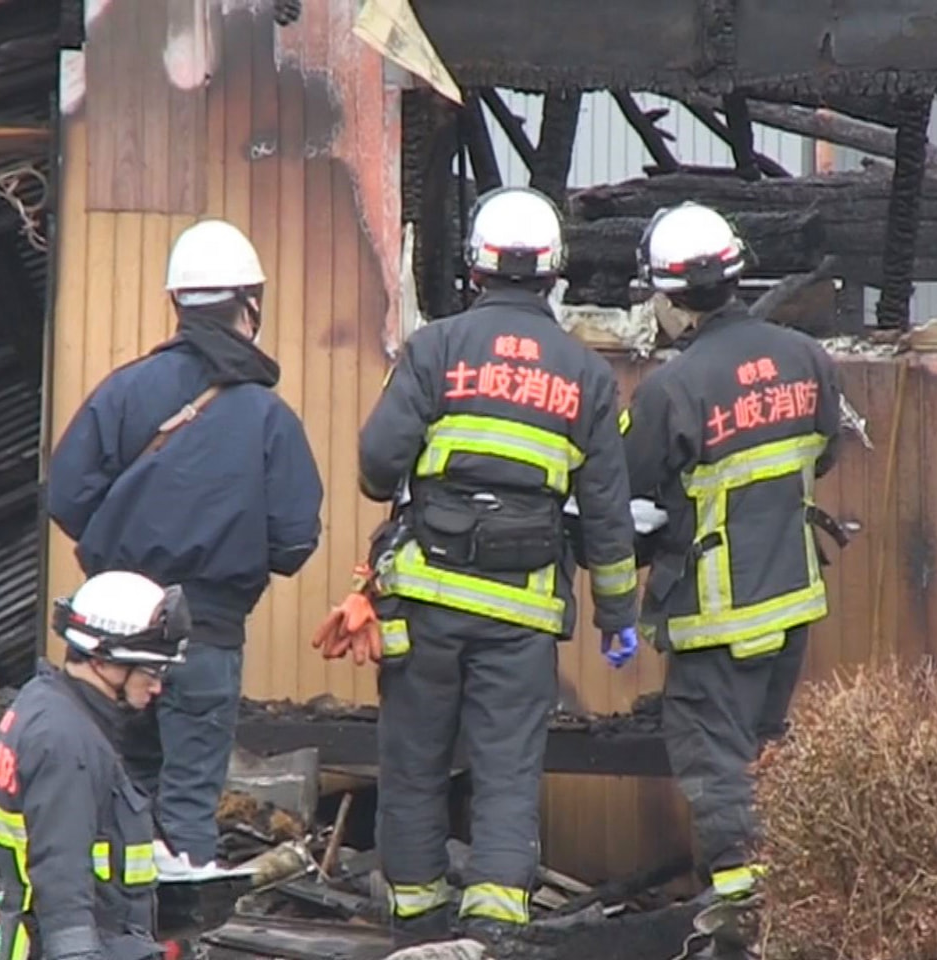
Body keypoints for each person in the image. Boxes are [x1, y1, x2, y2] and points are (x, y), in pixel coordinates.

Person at [355, 185, 639, 950]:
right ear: (554, 273)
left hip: (426, 604)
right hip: (522, 617)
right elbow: (609, 516)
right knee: (509, 771)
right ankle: (492, 926)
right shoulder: (587, 376)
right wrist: (618, 621)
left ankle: (416, 924)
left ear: (476, 270)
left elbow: (378, 470)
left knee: (413, 764)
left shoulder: (434, 349)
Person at [46, 218, 324, 871]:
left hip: (109, 638)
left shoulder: (122, 392)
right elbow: (293, 543)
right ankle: (176, 938)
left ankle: (106, 932)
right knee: (189, 806)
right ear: (250, 304)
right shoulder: (268, 418)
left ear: (177, 303)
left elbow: (66, 497)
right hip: (206, 635)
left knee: (109, 798)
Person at [620, 202, 842, 958]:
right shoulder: (805, 359)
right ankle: (790, 901)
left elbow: (631, 495)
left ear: (673, 298)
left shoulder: (672, 389)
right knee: (766, 752)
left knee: (716, 764)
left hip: (717, 613)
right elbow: (825, 453)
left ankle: (746, 923)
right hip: (791, 596)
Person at [0, 571, 191, 960]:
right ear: (104, 658)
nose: (157, 686)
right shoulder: (65, 740)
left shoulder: (52, 706)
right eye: (150, 671)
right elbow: (59, 873)